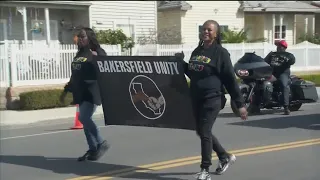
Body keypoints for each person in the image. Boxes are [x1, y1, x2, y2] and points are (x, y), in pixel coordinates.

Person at [178, 20, 248, 180]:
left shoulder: (221, 53)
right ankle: (224, 156)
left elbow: (230, 79)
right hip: (196, 98)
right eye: (204, 29)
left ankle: (205, 170)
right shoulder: (198, 50)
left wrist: (240, 104)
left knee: (204, 131)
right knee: (202, 131)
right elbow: (193, 73)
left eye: (209, 30)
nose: (206, 32)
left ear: (216, 34)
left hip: (213, 98)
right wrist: (181, 62)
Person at [60, 27, 110, 161]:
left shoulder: (97, 52)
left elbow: (106, 66)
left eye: (83, 37)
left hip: (92, 90)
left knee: (84, 118)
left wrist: (97, 58)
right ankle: (93, 149)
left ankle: (101, 142)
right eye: (79, 37)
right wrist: (66, 91)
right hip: (81, 91)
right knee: (84, 120)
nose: (80, 39)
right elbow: (74, 75)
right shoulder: (79, 54)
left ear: (89, 38)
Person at [264, 40, 296, 115]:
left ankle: (286, 107)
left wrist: (287, 59)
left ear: (284, 47)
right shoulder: (272, 54)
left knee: (284, 85)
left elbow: (292, 60)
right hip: (273, 74)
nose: (278, 47)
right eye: (278, 45)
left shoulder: (288, 55)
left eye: (280, 46)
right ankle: (256, 105)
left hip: (283, 74)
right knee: (262, 82)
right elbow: (264, 61)